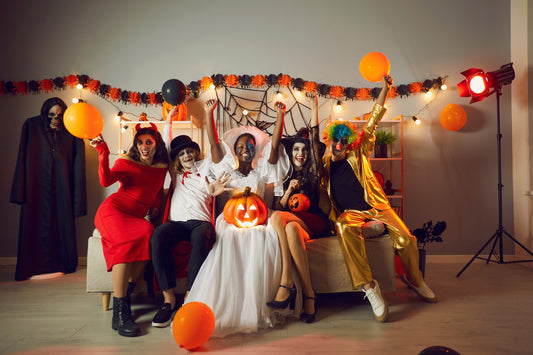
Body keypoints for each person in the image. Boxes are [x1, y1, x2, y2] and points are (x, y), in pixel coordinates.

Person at [321, 75, 437, 323]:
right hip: (351, 213)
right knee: (343, 226)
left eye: (344, 141)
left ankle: (415, 280)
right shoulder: (322, 166)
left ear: (349, 143)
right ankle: (369, 287)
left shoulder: (358, 151)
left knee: (406, 239)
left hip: (376, 207)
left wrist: (385, 89)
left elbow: (373, 119)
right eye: (335, 141)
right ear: (329, 140)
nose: (339, 145)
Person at [185, 101, 293, 337]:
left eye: (250, 146)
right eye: (241, 146)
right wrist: (208, 113)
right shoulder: (226, 172)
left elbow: (274, 147)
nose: (246, 149)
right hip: (231, 220)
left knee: (264, 237)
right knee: (231, 238)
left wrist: (280, 115)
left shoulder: (262, 171)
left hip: (258, 218)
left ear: (255, 150)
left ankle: (260, 300)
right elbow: (214, 143)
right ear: (235, 150)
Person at [150, 99, 231, 328]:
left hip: (200, 224)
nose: (186, 155)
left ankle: (189, 297)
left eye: (189, 151)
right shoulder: (175, 174)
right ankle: (168, 301)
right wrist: (169, 120)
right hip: (177, 224)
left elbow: (214, 147)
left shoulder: (205, 168)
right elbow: (166, 144)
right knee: (158, 236)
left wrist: (214, 191)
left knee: (201, 236)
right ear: (177, 158)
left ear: (195, 152)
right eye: (182, 153)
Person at [90, 123, 168, 337]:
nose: (144, 147)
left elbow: (159, 191)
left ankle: (128, 292)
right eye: (140, 142)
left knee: (147, 234)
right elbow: (106, 180)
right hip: (113, 211)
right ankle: (121, 312)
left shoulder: (162, 167)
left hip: (135, 217)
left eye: (149, 142)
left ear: (156, 144)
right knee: (125, 242)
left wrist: (156, 209)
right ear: (135, 145)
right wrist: (103, 152)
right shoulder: (126, 162)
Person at [268, 93, 330, 323]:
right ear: (290, 152)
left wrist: (314, 107)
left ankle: (287, 281)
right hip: (294, 222)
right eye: (296, 150)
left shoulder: (314, 173)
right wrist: (287, 191)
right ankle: (309, 296)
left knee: (277, 218)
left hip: (314, 220)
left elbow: (314, 141)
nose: (300, 153)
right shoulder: (284, 175)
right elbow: (280, 206)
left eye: (303, 150)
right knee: (288, 226)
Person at [10, 97, 87, 281]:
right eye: (51, 115)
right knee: (34, 222)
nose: (55, 119)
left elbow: (78, 168)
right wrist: (19, 191)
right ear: (45, 115)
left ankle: (60, 263)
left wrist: (78, 202)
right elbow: (22, 158)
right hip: (34, 187)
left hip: (63, 187)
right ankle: (34, 265)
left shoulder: (72, 131)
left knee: (60, 222)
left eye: (60, 115)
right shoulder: (31, 126)